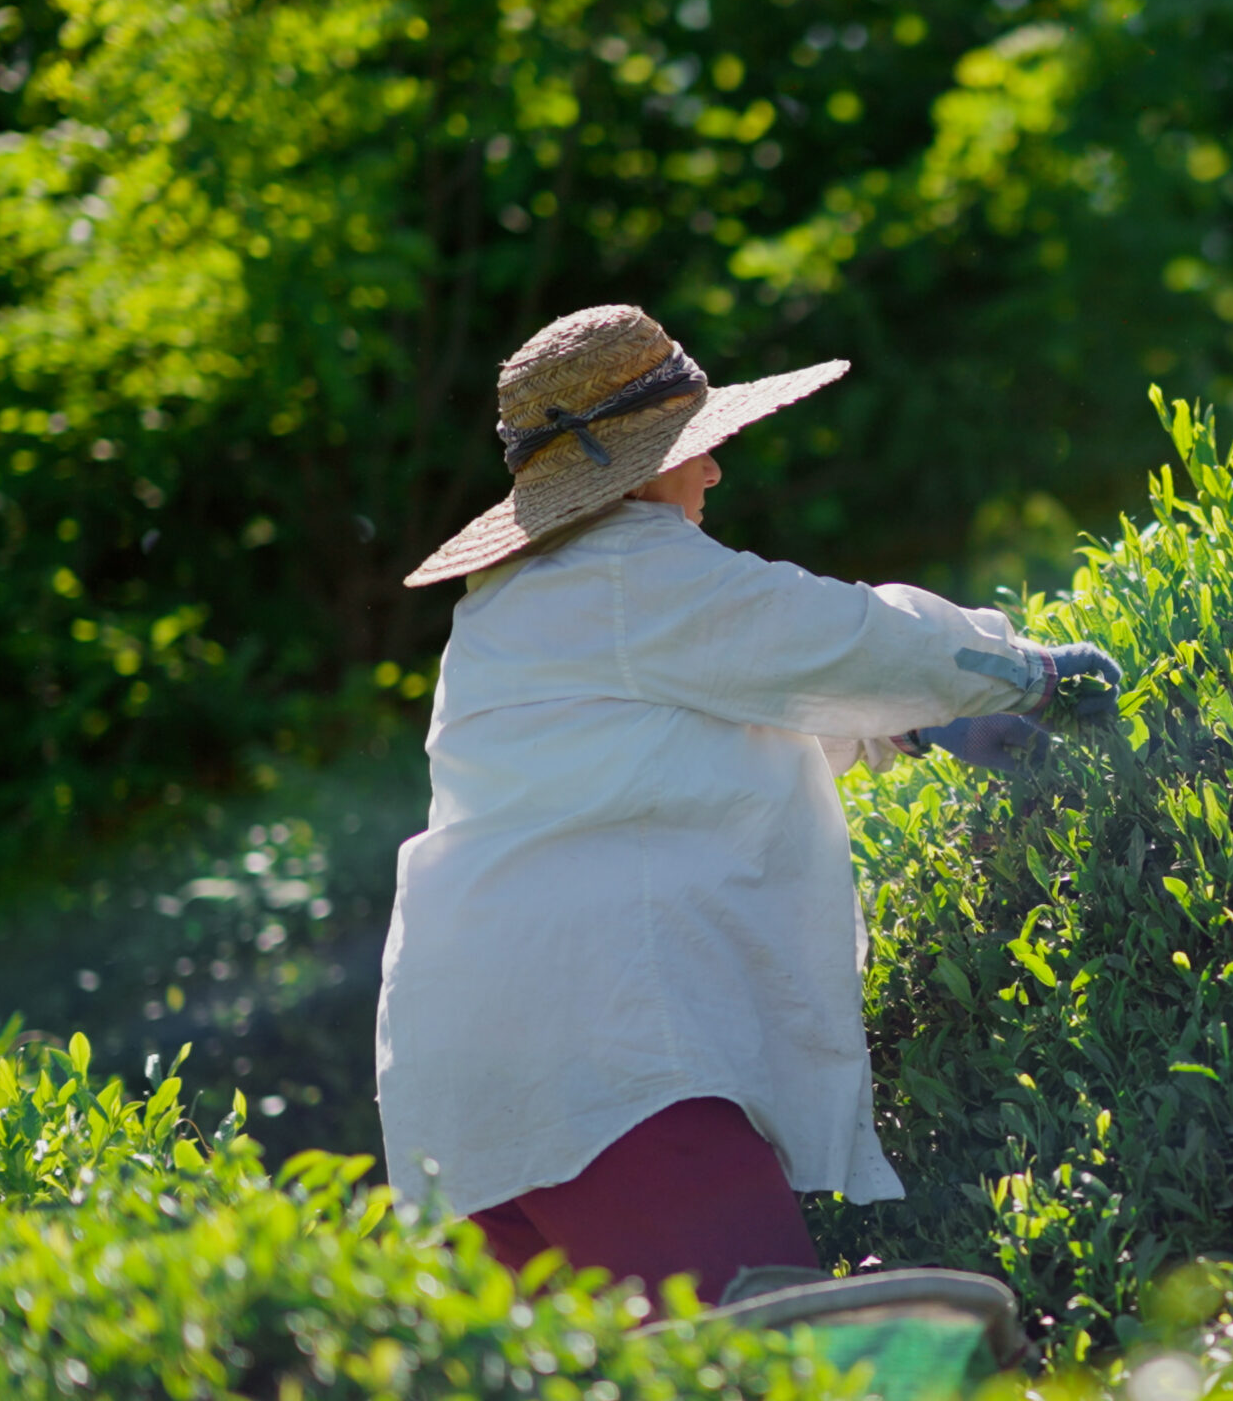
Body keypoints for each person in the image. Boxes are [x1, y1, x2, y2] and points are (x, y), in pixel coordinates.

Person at [377, 304, 1120, 1302]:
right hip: (610, 1074)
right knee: (765, 1359)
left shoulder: (514, 606)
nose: (714, 471)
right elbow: (832, 635)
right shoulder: (632, 569)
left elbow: (698, 728)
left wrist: (903, 727)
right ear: (640, 468)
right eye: (696, 448)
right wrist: (1018, 670)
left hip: (470, 1105)